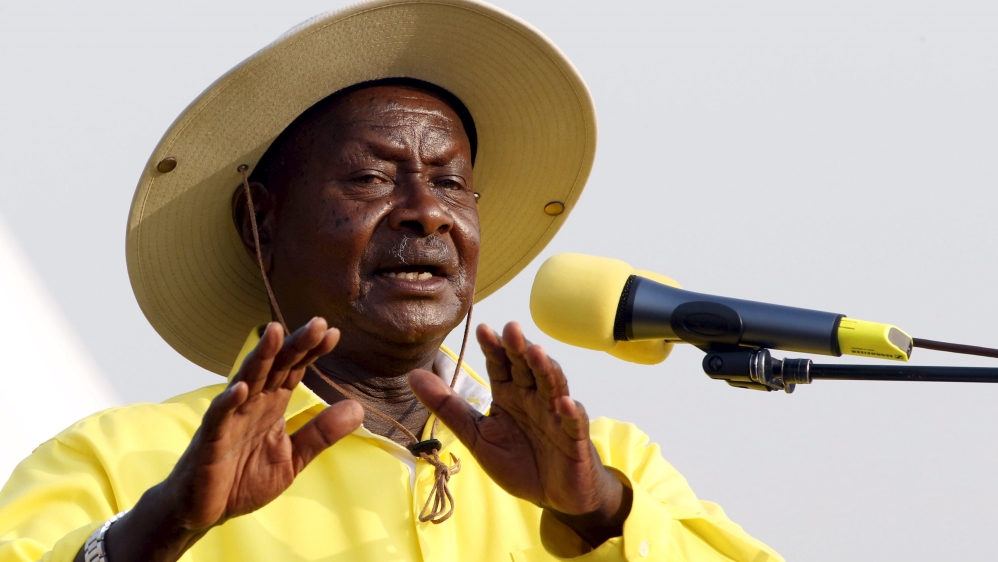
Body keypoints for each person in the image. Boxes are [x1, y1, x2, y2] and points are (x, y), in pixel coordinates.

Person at [0, 1, 783, 561]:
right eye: (372, 178)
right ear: (259, 223)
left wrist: (600, 513)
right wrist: (161, 528)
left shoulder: (603, 465)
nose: (426, 215)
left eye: (450, 184)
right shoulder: (120, 459)